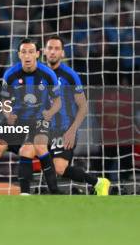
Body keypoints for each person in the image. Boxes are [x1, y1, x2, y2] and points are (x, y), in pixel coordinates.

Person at [0, 38, 62, 195]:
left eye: (31, 52)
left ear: (37, 54)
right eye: (24, 52)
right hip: (16, 119)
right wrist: (7, 114)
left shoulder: (48, 75)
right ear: (19, 55)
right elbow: (4, 101)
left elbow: (58, 102)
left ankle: (55, 192)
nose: (27, 56)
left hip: (39, 119)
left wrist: (50, 113)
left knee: (39, 147)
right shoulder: (10, 74)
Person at [43, 35, 110, 195]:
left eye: (57, 48)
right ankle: (51, 193)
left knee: (59, 168)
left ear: (63, 53)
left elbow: (83, 106)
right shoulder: (38, 74)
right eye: (50, 48)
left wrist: (72, 130)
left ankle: (98, 182)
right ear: (44, 51)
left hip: (64, 129)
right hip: (44, 129)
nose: (53, 52)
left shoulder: (69, 75)